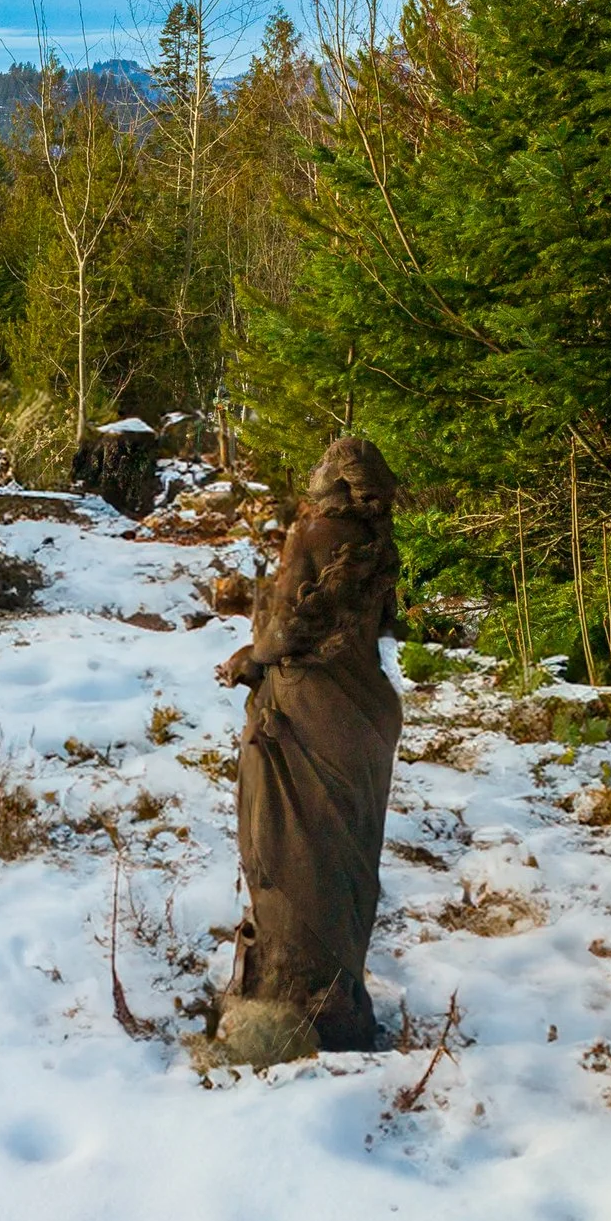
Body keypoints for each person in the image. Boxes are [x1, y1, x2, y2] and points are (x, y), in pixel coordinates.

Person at [218, 436, 402, 1052]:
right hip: (364, 713)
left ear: (334, 480)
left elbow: (285, 631)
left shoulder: (314, 531)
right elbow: (381, 624)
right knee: (344, 856)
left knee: (282, 842)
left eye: (323, 466)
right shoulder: (382, 541)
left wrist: (251, 657)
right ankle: (339, 1005)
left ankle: (283, 1007)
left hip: (306, 709)